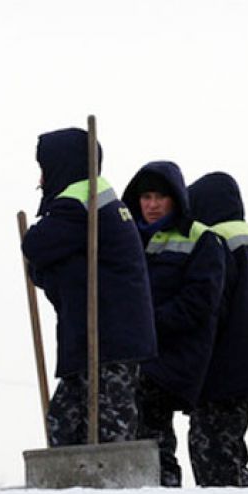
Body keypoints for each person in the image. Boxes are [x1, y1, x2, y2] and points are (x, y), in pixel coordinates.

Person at [22, 128, 157, 447]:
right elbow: (61, 271)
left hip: (108, 342)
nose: (41, 181)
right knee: (65, 423)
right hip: (95, 340)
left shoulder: (82, 200)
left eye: (45, 170)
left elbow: (36, 246)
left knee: (108, 434)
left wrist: (46, 269)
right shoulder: (95, 202)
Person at [122, 161, 225, 487]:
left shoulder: (201, 239)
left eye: (160, 198)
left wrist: (145, 326)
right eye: (146, 197)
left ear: (176, 199)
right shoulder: (128, 238)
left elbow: (199, 302)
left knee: (153, 439)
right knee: (135, 436)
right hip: (134, 355)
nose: (152, 205)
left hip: (172, 357)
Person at [186, 172, 248, 487]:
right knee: (231, 451)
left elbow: (211, 308)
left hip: (224, 372)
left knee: (211, 456)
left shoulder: (216, 240)